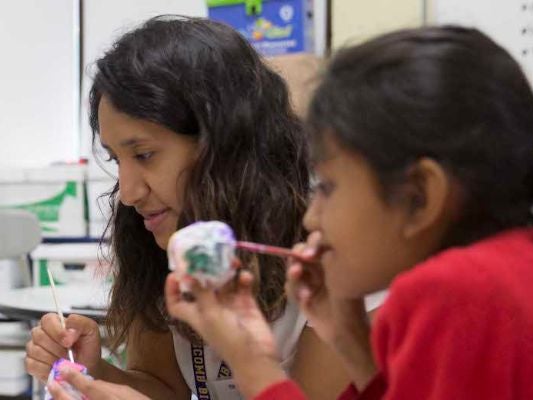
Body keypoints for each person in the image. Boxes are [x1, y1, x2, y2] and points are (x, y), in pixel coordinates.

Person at [47, 25, 533, 400]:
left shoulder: (453, 290)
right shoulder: (514, 271)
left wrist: (250, 358)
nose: (315, 215)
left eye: (330, 186)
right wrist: (355, 345)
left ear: (421, 195)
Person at [25, 15, 352, 400]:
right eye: (116, 160)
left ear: (224, 145)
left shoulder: (335, 261)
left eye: (144, 154)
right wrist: (93, 372)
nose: (127, 193)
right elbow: (164, 389)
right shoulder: (158, 243)